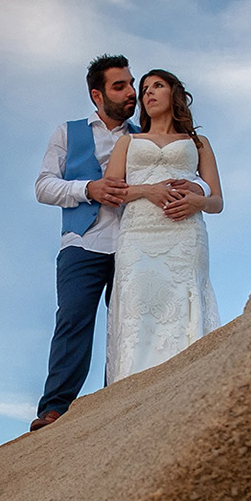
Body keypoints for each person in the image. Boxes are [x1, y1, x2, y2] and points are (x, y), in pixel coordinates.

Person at [31, 56, 207, 431]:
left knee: (131, 324)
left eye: (132, 84)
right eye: (120, 86)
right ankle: (55, 408)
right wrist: (88, 189)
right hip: (84, 241)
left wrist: (198, 192)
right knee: (73, 319)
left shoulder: (145, 135)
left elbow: (190, 174)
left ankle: (118, 402)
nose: (131, 92)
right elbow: (43, 186)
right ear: (97, 95)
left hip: (138, 242)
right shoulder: (68, 132)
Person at [103, 68, 221, 382]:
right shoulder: (128, 142)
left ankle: (187, 387)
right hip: (138, 236)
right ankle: (132, 393)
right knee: (138, 312)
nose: (149, 93)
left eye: (157, 86)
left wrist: (198, 202)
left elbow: (217, 201)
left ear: (174, 93)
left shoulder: (198, 142)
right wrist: (147, 190)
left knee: (183, 310)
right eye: (145, 89)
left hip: (185, 236)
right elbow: (111, 193)